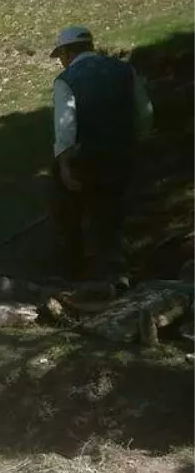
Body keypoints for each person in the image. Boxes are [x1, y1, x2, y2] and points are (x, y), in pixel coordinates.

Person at [49, 25, 153, 285]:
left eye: (61, 54)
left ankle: (74, 272)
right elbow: (145, 111)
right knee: (112, 214)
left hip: (87, 158)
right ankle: (118, 274)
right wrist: (136, 141)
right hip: (121, 154)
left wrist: (64, 164)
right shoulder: (124, 70)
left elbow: (66, 127)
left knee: (69, 213)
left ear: (68, 51)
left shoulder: (67, 80)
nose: (61, 61)